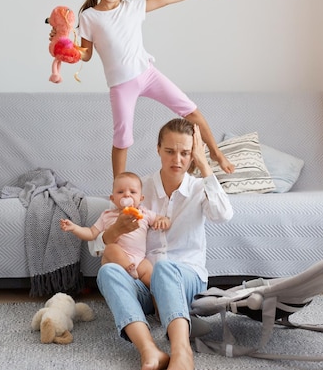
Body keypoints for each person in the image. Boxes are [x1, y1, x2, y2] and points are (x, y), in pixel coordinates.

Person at [89, 118, 233, 370]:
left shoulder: (201, 188)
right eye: (169, 151)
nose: (177, 160)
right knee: (107, 271)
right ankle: (150, 351)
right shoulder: (136, 189)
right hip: (145, 282)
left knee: (165, 268)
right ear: (158, 149)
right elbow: (96, 247)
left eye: (185, 153)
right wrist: (114, 231)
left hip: (185, 279)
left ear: (193, 154)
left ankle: (182, 352)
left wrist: (203, 163)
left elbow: (223, 215)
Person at [76, 0, 235, 178]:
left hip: (147, 74)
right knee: (122, 138)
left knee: (191, 111)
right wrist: (67, 49)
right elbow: (86, 55)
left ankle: (216, 154)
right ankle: (119, 186)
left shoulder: (133, 8)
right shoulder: (89, 17)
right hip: (121, 85)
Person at [60, 171, 170, 287]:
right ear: (112, 198)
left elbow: (162, 218)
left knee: (149, 270)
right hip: (118, 260)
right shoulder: (107, 215)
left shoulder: (144, 213)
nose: (127, 195)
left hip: (139, 259)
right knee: (110, 248)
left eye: (132, 192)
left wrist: (163, 221)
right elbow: (91, 233)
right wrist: (74, 228)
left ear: (141, 198)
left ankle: (154, 295)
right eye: (120, 192)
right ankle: (128, 269)